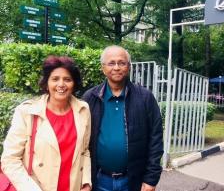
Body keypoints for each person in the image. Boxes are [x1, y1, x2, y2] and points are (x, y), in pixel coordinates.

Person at [1, 56, 92, 191]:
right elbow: (10, 159)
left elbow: (85, 151)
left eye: (67, 79)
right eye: (55, 79)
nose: (61, 84)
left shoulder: (83, 110)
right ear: (46, 83)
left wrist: (86, 183)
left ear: (74, 84)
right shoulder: (28, 112)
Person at [82, 45, 163, 191]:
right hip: (99, 180)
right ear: (103, 68)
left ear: (129, 66)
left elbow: (156, 140)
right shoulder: (90, 98)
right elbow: (82, 143)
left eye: (122, 63)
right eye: (111, 63)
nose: (117, 67)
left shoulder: (145, 98)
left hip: (133, 181)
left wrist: (151, 179)